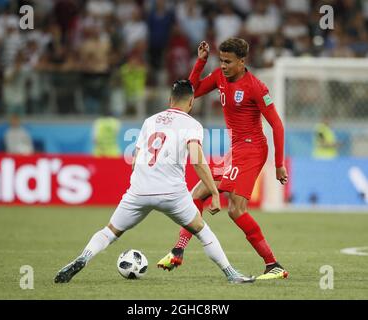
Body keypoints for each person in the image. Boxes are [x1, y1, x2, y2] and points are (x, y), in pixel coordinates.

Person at [54, 80, 255, 284]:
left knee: (110, 231)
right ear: (192, 102)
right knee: (202, 230)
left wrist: (139, 185)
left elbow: (135, 159)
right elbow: (197, 158)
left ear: (170, 100)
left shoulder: (150, 121)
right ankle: (231, 273)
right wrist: (213, 191)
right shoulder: (192, 125)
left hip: (140, 190)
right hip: (172, 193)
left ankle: (84, 257)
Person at [157, 38, 289, 280]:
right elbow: (191, 92)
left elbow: (277, 125)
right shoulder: (219, 76)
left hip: (252, 150)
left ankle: (273, 265)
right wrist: (200, 62)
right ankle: (178, 251)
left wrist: (279, 164)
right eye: (221, 61)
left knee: (236, 210)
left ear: (242, 61)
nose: (224, 66)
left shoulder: (256, 87)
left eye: (228, 61)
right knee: (197, 194)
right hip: (235, 150)